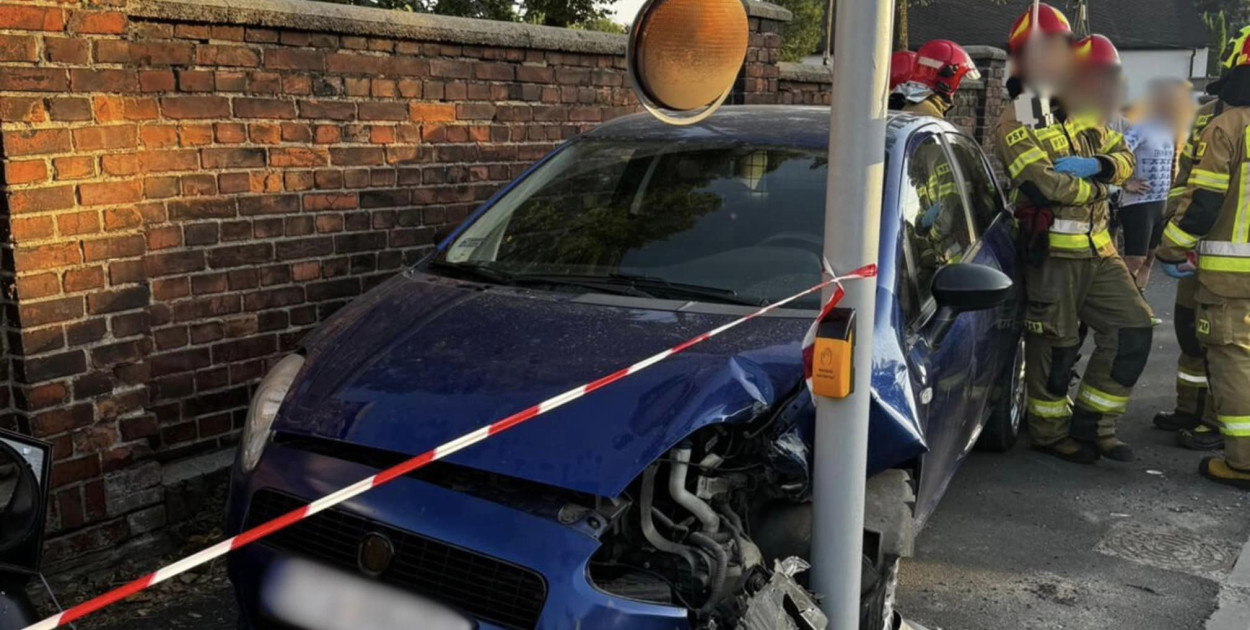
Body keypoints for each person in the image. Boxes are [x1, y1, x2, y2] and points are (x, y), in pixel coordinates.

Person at [994, 5, 1152, 464]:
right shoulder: (1020, 114)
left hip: (1099, 251)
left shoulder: (1074, 108)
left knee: (1133, 329)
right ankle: (1049, 433)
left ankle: (1093, 424)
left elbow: (1124, 157)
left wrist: (1100, 168)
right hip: (1053, 258)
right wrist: (1104, 184)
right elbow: (1045, 184)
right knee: (1055, 351)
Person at [1156, 25, 1250, 489]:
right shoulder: (1217, 120)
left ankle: (1241, 460)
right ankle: (1195, 415)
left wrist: (1170, 246)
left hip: (1230, 276)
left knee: (1232, 363)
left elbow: (1206, 201)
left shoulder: (1229, 126)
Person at [1156, 94, 1222, 448]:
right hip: (1196, 241)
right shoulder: (1209, 113)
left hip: (1232, 250)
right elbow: (1186, 176)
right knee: (1189, 329)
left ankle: (1217, 420)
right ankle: (1189, 408)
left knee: (1223, 342)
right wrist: (1174, 219)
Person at [1120, 80, 1194, 291]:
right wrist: (1125, 182)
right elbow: (1117, 152)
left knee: (1150, 258)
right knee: (1135, 259)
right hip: (1138, 203)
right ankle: (1113, 302)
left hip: (1159, 202)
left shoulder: (1170, 131)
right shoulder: (1141, 127)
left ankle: (1138, 302)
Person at [890, 40, 980, 119]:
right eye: (959, 78)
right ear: (948, 75)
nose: (959, 85)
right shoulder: (927, 112)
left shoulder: (900, 100)